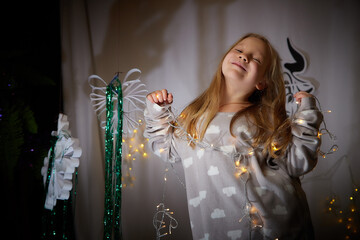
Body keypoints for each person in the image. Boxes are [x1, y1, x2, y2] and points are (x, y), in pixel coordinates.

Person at [144, 33, 323, 240]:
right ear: (224, 60)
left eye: (256, 59)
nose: (244, 56)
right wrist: (157, 110)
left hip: (276, 230)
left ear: (262, 82)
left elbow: (298, 162)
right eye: (239, 50)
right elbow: (165, 148)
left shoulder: (266, 118)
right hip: (214, 232)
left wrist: (307, 116)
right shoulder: (192, 119)